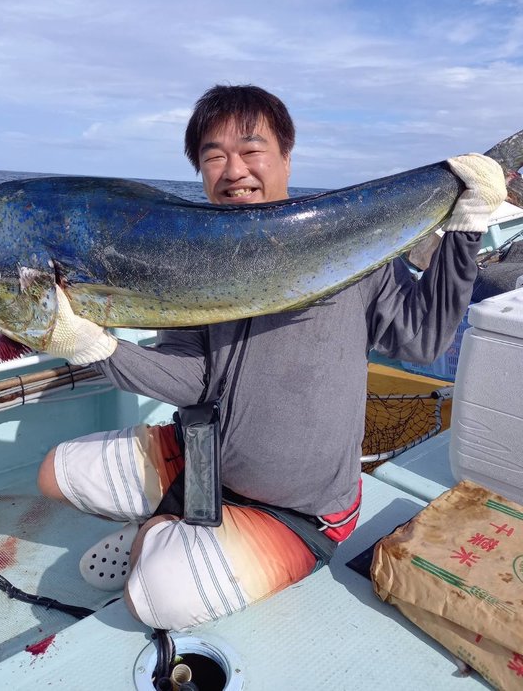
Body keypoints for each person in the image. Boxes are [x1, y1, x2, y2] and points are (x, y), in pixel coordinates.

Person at [37, 85, 506, 631]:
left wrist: (464, 232)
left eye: (251, 149)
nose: (233, 169)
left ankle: (166, 532)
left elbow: (421, 340)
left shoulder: (345, 245)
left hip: (301, 511)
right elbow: (191, 381)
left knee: (154, 599)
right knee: (54, 474)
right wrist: (96, 347)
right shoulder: (189, 258)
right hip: (206, 461)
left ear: (286, 156)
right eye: (214, 156)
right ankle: (183, 527)